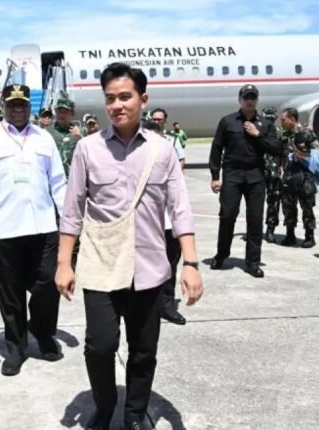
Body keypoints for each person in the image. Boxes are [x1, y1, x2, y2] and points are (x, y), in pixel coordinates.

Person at [55, 63, 202, 430]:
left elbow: (179, 209)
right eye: (110, 99)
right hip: (102, 266)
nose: (118, 105)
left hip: (150, 269)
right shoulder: (88, 149)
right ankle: (104, 407)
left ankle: (135, 414)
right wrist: (63, 263)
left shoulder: (163, 150)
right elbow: (72, 212)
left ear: (142, 99)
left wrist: (191, 263)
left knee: (143, 351)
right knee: (100, 346)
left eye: (125, 97)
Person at [0, 84, 67, 376]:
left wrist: (69, 221)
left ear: (29, 107)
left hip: (44, 226)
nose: (18, 109)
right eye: (12, 104)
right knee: (10, 295)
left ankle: (43, 331)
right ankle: (17, 348)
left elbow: (59, 182)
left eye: (22, 104)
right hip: (5, 228)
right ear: (4, 107)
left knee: (49, 284)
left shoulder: (44, 138)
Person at [209, 84, 280, 278]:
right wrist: (215, 176)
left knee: (255, 219)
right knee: (228, 214)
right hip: (232, 174)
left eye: (253, 97)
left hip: (256, 176)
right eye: (246, 97)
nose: (249, 100)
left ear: (256, 100)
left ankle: (253, 262)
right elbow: (216, 148)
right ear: (240, 99)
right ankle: (222, 254)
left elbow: (276, 148)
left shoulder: (265, 125)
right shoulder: (227, 121)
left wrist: (259, 136)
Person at [149, 108, 188, 326]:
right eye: (154, 120)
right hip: (149, 216)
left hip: (169, 213)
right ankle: (149, 304)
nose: (158, 123)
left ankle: (167, 304)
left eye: (160, 120)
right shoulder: (142, 141)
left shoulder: (172, 141)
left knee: (171, 262)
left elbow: (181, 162)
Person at [279, 109, 319, 248]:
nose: (281, 122)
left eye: (284, 119)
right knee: (288, 207)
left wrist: (301, 156)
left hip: (305, 176)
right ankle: (290, 234)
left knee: (307, 207)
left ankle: (309, 236)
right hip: (289, 175)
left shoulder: (307, 133)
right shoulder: (283, 136)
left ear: (292, 119)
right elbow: (280, 153)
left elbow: (317, 155)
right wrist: (281, 169)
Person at [261, 107, 284, 243]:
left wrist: (282, 168)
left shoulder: (279, 133)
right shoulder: (257, 132)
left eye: (271, 118)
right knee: (254, 203)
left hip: (274, 173)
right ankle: (254, 229)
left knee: (274, 202)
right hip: (258, 171)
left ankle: (270, 230)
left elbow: (284, 152)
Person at [47, 93, 83, 176]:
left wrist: (80, 138)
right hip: (53, 179)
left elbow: (90, 154)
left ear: (72, 113)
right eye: (59, 111)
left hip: (73, 179)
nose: (61, 115)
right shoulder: (47, 132)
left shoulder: (80, 132)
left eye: (65, 112)